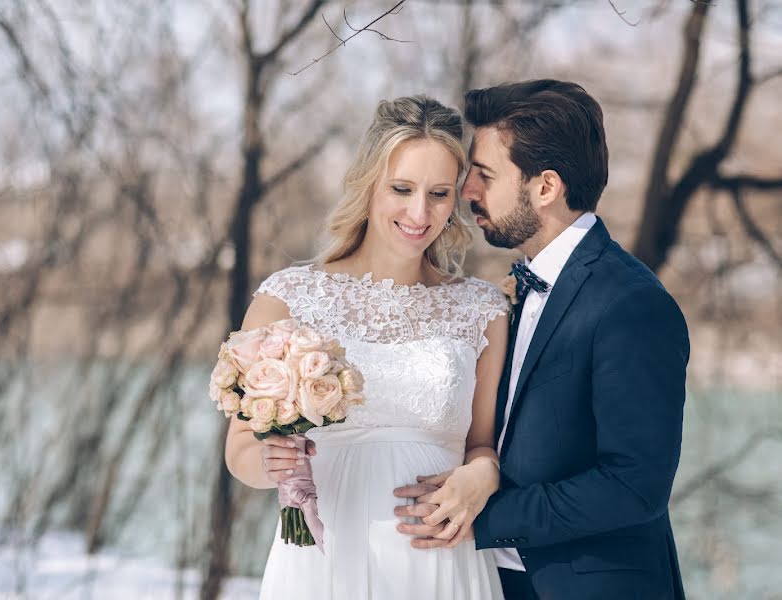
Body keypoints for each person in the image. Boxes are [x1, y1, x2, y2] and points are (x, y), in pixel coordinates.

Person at [394, 80, 690, 600]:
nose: (467, 191)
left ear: (545, 187)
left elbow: (633, 486)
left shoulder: (631, 304)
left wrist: (483, 513)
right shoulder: (509, 295)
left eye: (484, 175)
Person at [224, 95, 509, 599]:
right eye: (402, 188)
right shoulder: (288, 298)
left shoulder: (480, 309)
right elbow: (241, 452)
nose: (420, 212)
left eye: (439, 194)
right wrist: (271, 464)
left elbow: (482, 443)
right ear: (368, 183)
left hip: (438, 562)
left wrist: (483, 476)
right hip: (322, 561)